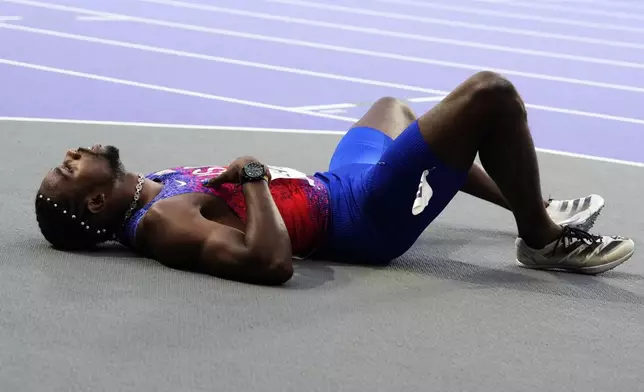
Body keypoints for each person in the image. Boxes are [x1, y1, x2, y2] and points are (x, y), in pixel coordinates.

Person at [34, 71, 634, 286]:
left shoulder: (150, 188)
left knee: (392, 108)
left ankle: (533, 201)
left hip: (336, 183)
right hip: (362, 218)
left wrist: (253, 180)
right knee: (489, 96)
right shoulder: (162, 222)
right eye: (69, 166)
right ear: (93, 197)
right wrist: (251, 176)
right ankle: (542, 237)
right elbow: (270, 263)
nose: (73, 151)